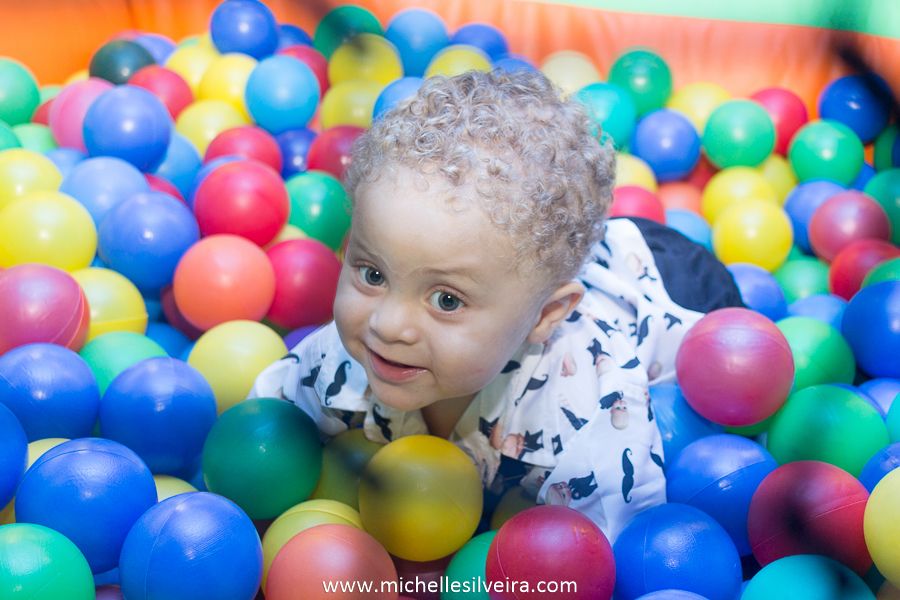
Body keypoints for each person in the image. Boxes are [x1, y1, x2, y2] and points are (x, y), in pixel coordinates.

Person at [249, 69, 742, 542]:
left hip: (668, 282)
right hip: (538, 264)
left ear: (545, 317)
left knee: (730, 348)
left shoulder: (590, 411)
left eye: (446, 300)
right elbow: (263, 428)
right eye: (373, 274)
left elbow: (615, 546)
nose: (388, 324)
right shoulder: (340, 361)